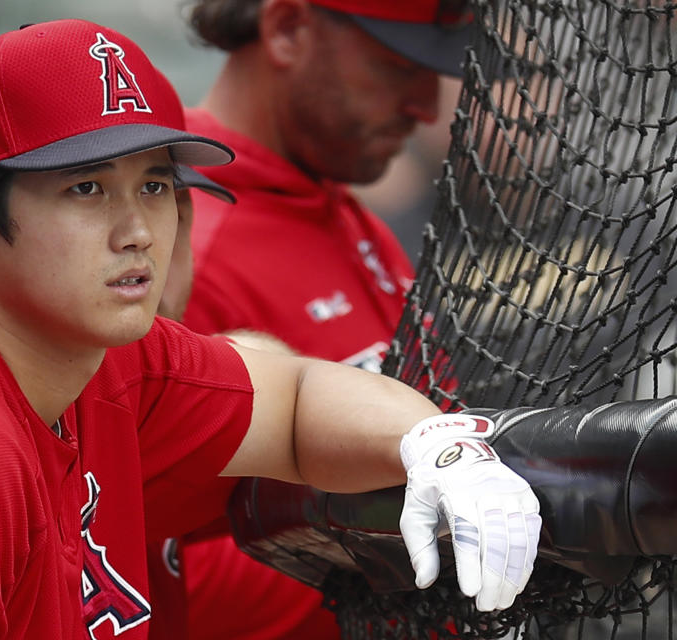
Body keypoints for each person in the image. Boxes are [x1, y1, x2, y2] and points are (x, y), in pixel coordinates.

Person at [0, 19, 539, 639]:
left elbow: (293, 398)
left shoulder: (99, 360)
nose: (138, 229)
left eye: (153, 186)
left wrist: (438, 444)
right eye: (85, 189)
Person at [176, 0, 483, 637]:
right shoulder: (177, 248)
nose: (428, 107)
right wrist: (435, 546)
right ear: (288, 28)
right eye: (399, 67)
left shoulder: (345, 212)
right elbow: (151, 573)